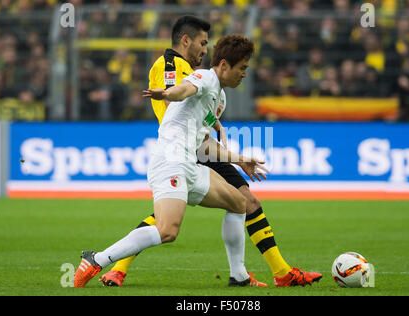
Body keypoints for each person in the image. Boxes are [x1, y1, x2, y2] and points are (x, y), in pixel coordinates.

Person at [100, 15, 322, 288]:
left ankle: (267, 273)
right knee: (180, 215)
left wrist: (211, 119)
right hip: (187, 149)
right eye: (202, 43)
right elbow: (178, 98)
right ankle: (116, 266)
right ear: (186, 40)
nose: (205, 50)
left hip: (197, 144)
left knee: (241, 202)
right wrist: (192, 110)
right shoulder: (171, 64)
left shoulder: (210, 82)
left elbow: (196, 103)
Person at [74, 34, 269, 288]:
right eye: (241, 68)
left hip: (189, 163)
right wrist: (167, 92)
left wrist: (239, 160)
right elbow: (184, 90)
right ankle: (96, 259)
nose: (244, 74)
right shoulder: (205, 77)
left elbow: (204, 143)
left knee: (238, 202)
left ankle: (239, 276)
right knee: (167, 231)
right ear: (223, 65)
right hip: (170, 161)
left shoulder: (219, 99)